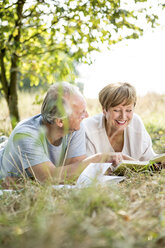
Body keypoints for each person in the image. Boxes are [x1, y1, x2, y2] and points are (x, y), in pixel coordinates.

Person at [0, 82, 122, 184]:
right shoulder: (26, 135)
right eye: (81, 113)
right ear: (60, 121)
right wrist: (96, 159)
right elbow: (49, 178)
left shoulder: (74, 127)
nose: (86, 116)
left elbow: (74, 172)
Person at [83, 82, 156, 161]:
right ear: (104, 109)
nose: (123, 116)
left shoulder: (136, 123)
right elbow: (86, 169)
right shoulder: (88, 128)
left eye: (128, 110)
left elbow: (150, 161)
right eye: (116, 110)